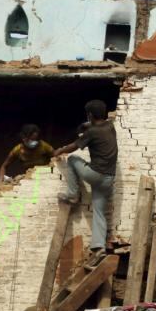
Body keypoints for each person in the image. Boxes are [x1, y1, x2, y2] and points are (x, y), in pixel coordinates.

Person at [52, 100, 117, 264]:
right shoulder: (110, 127)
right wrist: (86, 125)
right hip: (108, 179)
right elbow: (94, 125)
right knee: (99, 212)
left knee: (73, 159)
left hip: (95, 175)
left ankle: (73, 194)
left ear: (89, 115)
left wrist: (59, 150)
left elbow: (74, 147)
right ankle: (99, 248)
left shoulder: (92, 132)